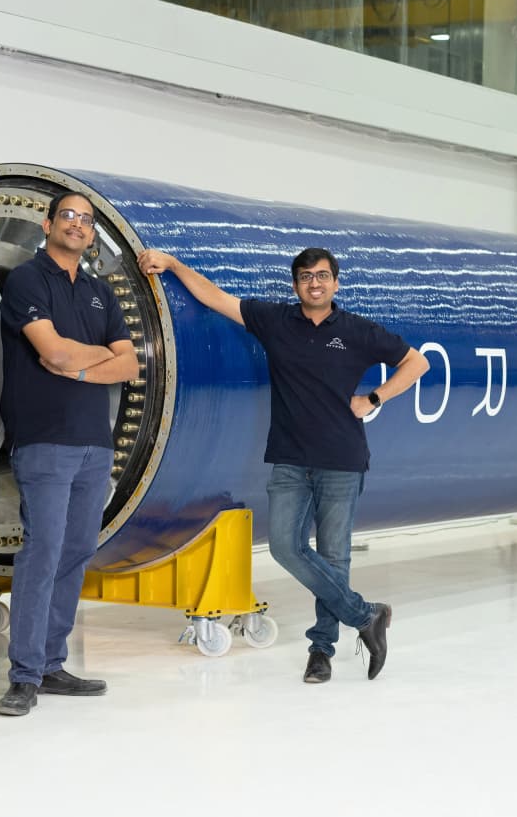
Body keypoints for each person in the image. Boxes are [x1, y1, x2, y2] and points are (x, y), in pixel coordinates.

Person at [136, 243, 429, 683]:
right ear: (296, 284)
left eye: (323, 275)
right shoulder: (276, 321)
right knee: (285, 547)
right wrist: (175, 265)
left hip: (342, 459)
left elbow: (416, 362)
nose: (315, 283)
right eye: (306, 276)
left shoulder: (356, 330)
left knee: (334, 557)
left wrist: (374, 398)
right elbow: (215, 298)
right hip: (290, 460)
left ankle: (321, 651)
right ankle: (367, 615)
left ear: (336, 282)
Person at [0, 193, 139, 717]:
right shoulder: (27, 281)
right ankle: (25, 675)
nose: (77, 225)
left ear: (92, 233)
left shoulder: (101, 293)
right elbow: (50, 350)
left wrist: (79, 367)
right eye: (68, 216)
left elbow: (129, 366)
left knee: (76, 551)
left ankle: (52, 662)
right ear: (48, 223)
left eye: (86, 220)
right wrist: (90, 355)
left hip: (93, 444)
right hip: (44, 438)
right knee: (43, 550)